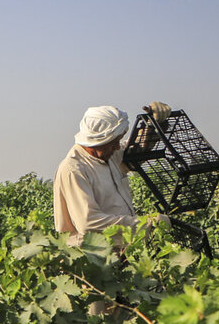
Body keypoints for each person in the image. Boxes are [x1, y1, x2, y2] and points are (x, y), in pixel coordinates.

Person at [53, 102, 171, 246]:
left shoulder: (109, 156)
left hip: (121, 252)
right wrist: (145, 224)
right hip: (91, 260)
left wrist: (154, 125)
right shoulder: (74, 169)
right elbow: (90, 224)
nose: (117, 147)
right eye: (113, 142)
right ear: (97, 140)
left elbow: (135, 152)